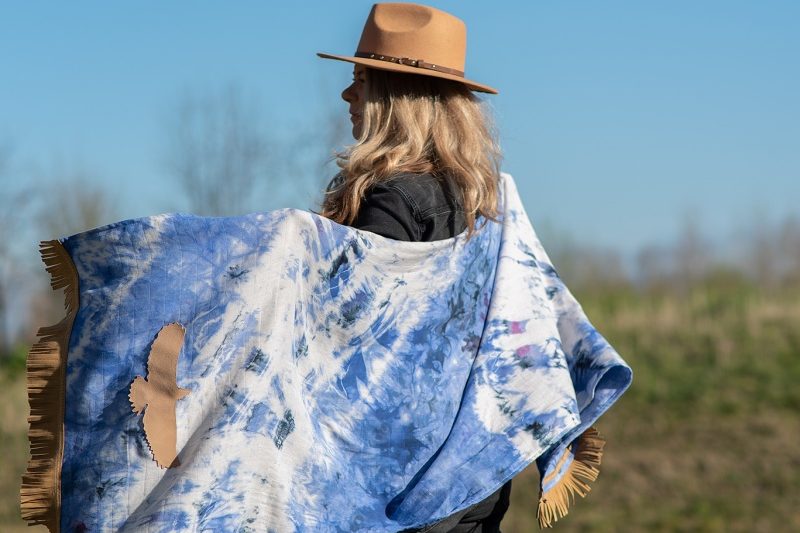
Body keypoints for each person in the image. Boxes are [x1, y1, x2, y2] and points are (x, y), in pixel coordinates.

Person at [316, 3, 513, 531]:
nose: (347, 95)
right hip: (473, 475)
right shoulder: (484, 206)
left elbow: (353, 342)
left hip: (400, 485)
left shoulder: (394, 202)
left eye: (362, 80)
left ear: (396, 96)